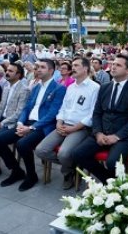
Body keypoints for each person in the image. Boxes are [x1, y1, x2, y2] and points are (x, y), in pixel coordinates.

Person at [0, 59, 66, 191]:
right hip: (26, 123)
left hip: (42, 126)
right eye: (37, 67)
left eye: (42, 67)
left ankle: (31, 176)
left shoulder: (59, 88)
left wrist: (31, 128)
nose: (38, 69)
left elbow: (52, 114)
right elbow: (26, 108)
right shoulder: (36, 87)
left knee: (22, 144)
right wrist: (20, 123)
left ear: (51, 71)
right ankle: (16, 171)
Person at [72, 54, 128, 182]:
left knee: (112, 163)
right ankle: (108, 181)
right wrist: (98, 133)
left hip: (123, 136)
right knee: (78, 154)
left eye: (118, 65)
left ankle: (114, 185)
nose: (113, 67)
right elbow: (97, 113)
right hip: (102, 132)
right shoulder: (104, 87)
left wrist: (117, 136)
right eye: (113, 64)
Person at [36, 58, 100, 190]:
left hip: (80, 128)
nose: (73, 68)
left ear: (86, 69)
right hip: (64, 124)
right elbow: (63, 108)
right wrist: (59, 122)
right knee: (41, 150)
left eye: (76, 65)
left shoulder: (95, 88)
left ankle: (67, 173)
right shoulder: (70, 87)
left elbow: (92, 114)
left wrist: (74, 128)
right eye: (73, 65)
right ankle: (73, 166)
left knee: (64, 153)